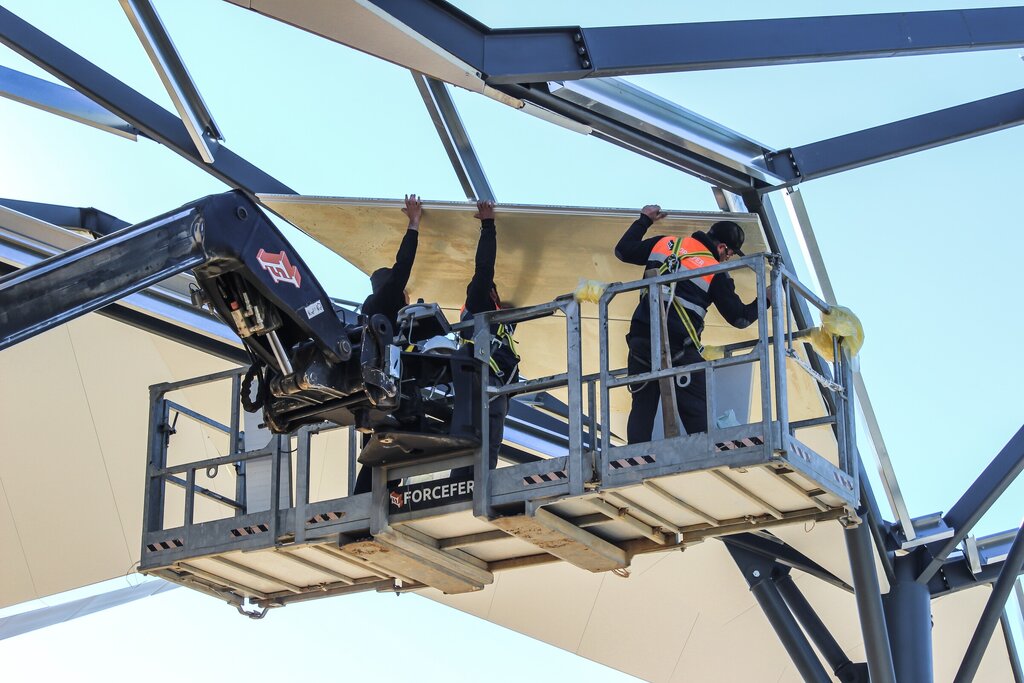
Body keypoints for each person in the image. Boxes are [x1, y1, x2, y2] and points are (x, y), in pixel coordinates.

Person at [614, 204, 765, 443]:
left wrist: (645, 220)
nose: (728, 259)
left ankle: (636, 455)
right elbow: (740, 317)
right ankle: (707, 449)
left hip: (642, 337)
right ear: (722, 247)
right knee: (696, 399)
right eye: (730, 254)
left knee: (642, 403)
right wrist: (767, 298)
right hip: (678, 345)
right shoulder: (714, 269)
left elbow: (623, 251)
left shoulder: (666, 243)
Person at [454, 199, 519, 475]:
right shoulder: (479, 302)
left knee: (481, 445)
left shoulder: (497, 326)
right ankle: (470, 486)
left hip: (491, 388)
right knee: (480, 444)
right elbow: (484, 269)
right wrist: (488, 225)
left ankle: (471, 486)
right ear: (491, 294)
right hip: (483, 382)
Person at [361, 194, 423, 331]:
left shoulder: (373, 311)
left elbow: (403, 266)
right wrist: (414, 222)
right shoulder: (386, 301)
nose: (407, 296)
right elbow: (403, 266)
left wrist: (414, 223)